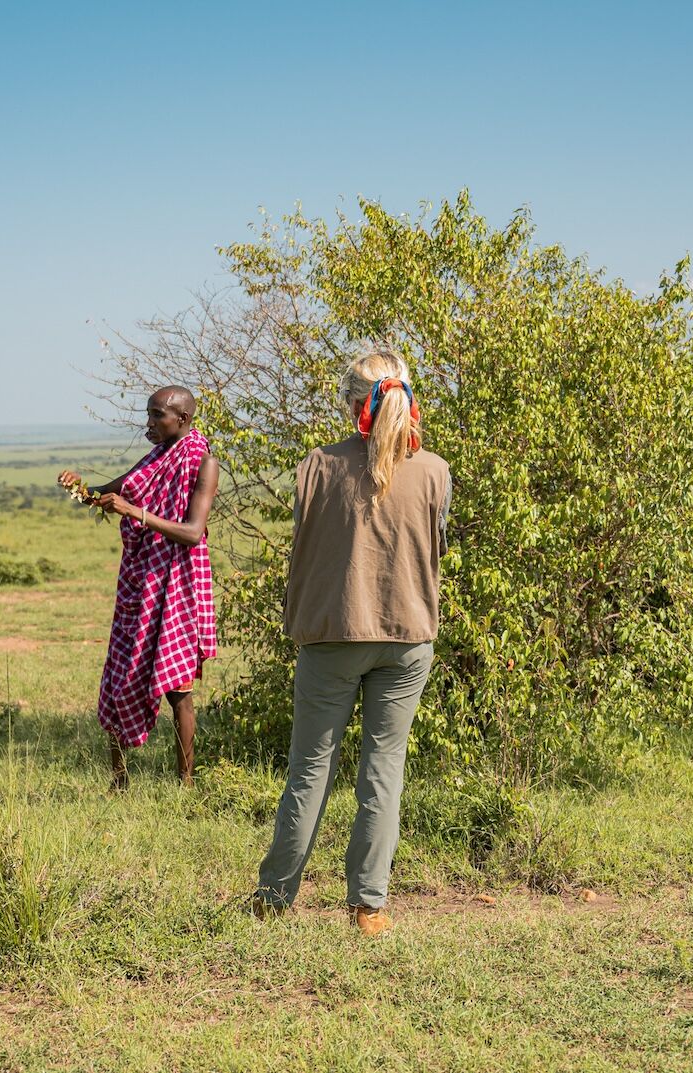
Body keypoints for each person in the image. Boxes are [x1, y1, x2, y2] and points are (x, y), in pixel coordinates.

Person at [253, 343, 451, 936]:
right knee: (383, 772)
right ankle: (370, 906)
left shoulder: (317, 465)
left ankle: (273, 899)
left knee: (310, 770)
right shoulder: (435, 471)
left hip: (331, 632)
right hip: (407, 634)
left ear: (352, 405)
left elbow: (308, 544)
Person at [59, 386, 219, 790]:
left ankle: (185, 784)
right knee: (119, 678)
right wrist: (80, 488)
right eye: (148, 415)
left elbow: (192, 532)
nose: (149, 423)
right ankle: (119, 780)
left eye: (156, 415)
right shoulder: (154, 461)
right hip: (139, 584)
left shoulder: (203, 464)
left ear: (182, 419)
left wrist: (135, 512)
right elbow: (106, 494)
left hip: (178, 587)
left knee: (178, 692)